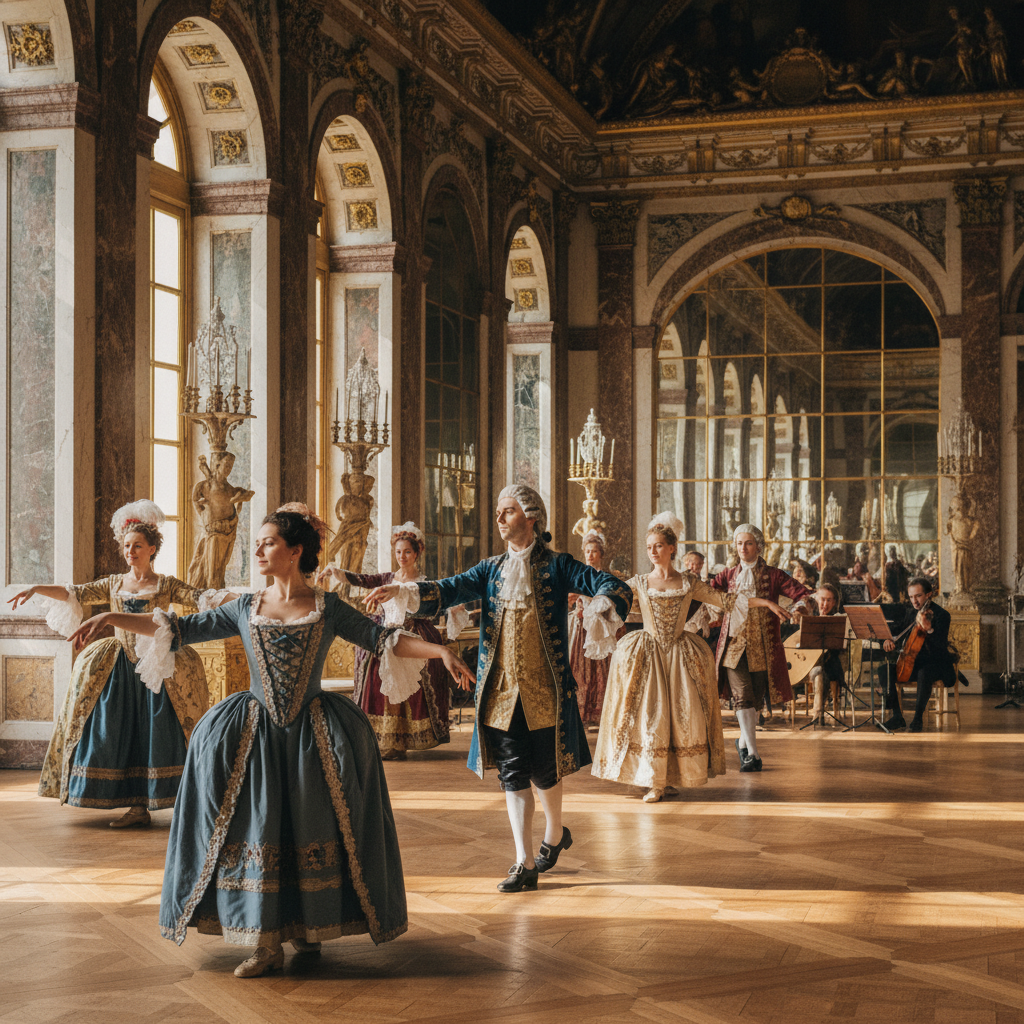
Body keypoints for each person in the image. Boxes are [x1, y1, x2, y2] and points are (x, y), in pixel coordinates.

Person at [67, 504, 474, 977]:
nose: (258, 549)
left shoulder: (326, 607)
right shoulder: (245, 607)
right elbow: (179, 629)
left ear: (295, 551)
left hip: (315, 736)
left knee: (309, 826)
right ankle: (263, 941)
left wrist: (440, 648)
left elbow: (383, 638)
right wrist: (113, 618)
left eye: (268, 542)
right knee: (258, 827)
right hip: (254, 735)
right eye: (258, 542)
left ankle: (307, 924)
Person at [364, 485, 632, 894]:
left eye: (507, 512)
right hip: (501, 691)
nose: (500, 519)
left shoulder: (559, 565)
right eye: (498, 512)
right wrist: (401, 590)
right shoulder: (490, 569)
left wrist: (600, 605)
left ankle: (555, 834)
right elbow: (447, 589)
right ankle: (524, 862)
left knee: (546, 770)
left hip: (546, 688)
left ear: (532, 517)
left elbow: (612, 586)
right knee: (512, 771)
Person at [9, 500, 216, 827]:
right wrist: (36, 588)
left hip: (157, 667)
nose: (130, 551)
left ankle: (154, 803)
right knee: (116, 732)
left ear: (152, 549)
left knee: (156, 734)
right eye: (126, 546)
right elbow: (74, 592)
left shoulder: (168, 584)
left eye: (137, 546)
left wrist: (234, 601)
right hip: (117, 666)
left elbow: (202, 598)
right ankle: (131, 803)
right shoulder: (113, 583)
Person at [593, 514, 789, 802]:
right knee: (651, 716)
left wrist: (768, 602)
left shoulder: (688, 583)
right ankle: (654, 779)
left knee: (678, 717)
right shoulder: (638, 582)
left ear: (672, 548)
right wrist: (599, 603)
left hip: (680, 656)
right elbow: (613, 598)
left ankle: (670, 777)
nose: (653, 551)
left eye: (659, 545)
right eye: (649, 547)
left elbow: (727, 600)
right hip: (648, 655)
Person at [318, 521, 451, 759]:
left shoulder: (423, 583)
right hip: (384, 636)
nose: (402, 556)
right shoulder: (388, 577)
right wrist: (334, 571)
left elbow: (433, 607)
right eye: (398, 552)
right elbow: (363, 580)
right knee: (379, 687)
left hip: (412, 637)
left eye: (407, 552)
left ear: (417, 552)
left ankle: (401, 740)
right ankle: (381, 740)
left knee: (411, 689)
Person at [711, 525, 809, 772]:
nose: (742, 548)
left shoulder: (775, 575)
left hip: (764, 647)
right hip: (733, 645)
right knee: (741, 697)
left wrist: (798, 610)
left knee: (754, 702)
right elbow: (709, 594)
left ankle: (743, 743)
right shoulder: (727, 575)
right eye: (739, 543)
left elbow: (802, 594)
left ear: (758, 546)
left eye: (748, 543)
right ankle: (753, 754)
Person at [880, 576, 957, 733]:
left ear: (928, 594)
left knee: (924, 673)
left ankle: (917, 719)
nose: (914, 601)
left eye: (918, 596)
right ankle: (897, 717)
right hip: (912, 662)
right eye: (911, 597)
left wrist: (929, 629)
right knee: (884, 670)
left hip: (936, 663)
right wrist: (887, 638)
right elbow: (896, 629)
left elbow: (941, 647)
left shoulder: (942, 615)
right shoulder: (911, 613)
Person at [568, 529, 619, 728]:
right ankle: (581, 714)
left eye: (594, 552)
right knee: (579, 669)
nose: (590, 555)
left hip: (601, 629)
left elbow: (612, 603)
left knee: (602, 670)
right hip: (582, 629)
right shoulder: (578, 574)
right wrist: (576, 603)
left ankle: (602, 715)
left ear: (601, 555)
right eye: (587, 551)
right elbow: (570, 597)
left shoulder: (607, 577)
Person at [806, 584, 846, 725]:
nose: (825, 603)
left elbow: (838, 649)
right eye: (822, 599)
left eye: (829, 600)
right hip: (806, 663)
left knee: (820, 672)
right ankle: (819, 712)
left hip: (830, 664)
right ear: (816, 598)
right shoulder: (807, 615)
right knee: (818, 671)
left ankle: (817, 713)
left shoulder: (837, 619)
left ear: (834, 602)